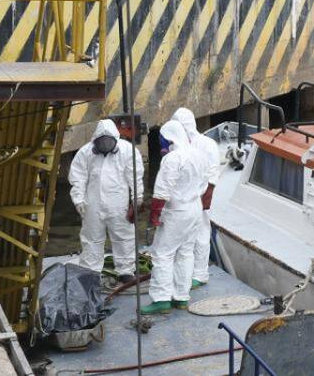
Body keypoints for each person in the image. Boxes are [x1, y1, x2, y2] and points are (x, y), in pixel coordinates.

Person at [140, 120, 210, 314]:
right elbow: (204, 183)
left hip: (177, 211)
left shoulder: (173, 159)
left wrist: (154, 215)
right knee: (186, 252)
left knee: (162, 253)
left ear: (169, 138)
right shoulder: (198, 154)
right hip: (195, 207)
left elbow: (162, 191)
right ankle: (181, 297)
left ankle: (161, 299)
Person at [68, 119, 143, 283]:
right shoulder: (85, 152)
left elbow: (135, 177)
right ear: (95, 141)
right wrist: (78, 199)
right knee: (92, 239)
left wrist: (137, 199)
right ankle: (91, 272)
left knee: (124, 237)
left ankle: (126, 270)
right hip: (92, 204)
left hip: (119, 203)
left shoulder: (127, 151)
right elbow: (78, 177)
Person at [171, 107, 222, 289]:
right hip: (183, 198)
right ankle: (184, 271)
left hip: (199, 196)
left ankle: (200, 273)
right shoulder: (176, 145)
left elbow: (212, 174)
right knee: (183, 236)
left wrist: (206, 198)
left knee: (200, 233)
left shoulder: (207, 144)